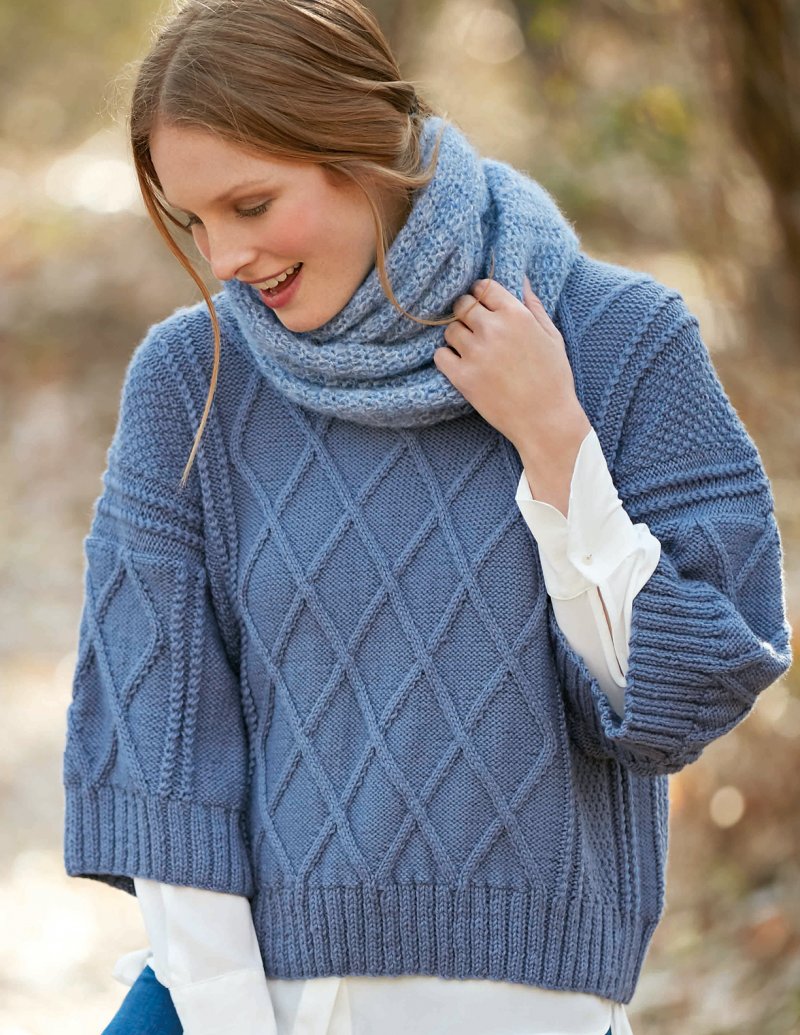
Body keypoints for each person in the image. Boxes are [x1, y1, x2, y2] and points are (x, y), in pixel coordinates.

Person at [61, 0, 792, 1033]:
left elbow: (679, 695)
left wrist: (555, 441)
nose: (223, 257)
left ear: (360, 148)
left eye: (251, 204)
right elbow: (164, 765)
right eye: (196, 222)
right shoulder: (193, 381)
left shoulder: (620, 339)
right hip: (271, 1008)